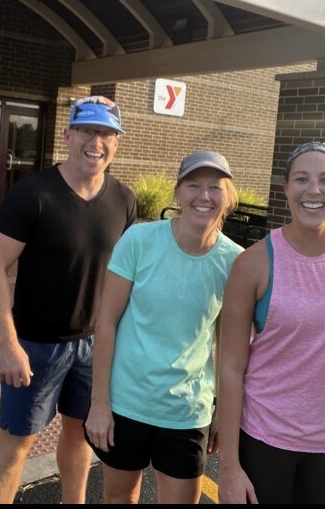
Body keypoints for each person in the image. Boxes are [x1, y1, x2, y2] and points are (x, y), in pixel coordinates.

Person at [0, 95, 136, 504]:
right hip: (34, 346)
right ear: (68, 134)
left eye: (106, 133)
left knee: (79, 433)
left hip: (94, 345)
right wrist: (6, 345)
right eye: (87, 130)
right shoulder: (32, 194)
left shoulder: (123, 200)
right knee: (16, 444)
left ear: (117, 141)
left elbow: (130, 275)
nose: (96, 142)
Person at [218, 141, 325, 504]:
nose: (313, 190)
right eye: (301, 179)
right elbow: (229, 367)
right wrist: (228, 466)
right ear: (286, 188)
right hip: (265, 437)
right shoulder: (253, 264)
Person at [85, 150, 243, 504]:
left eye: (215, 188)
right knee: (118, 498)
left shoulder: (235, 261)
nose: (204, 197)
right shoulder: (139, 241)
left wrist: (221, 410)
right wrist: (99, 404)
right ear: (177, 193)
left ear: (227, 197)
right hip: (127, 402)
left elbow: (229, 345)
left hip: (187, 411)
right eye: (193, 186)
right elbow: (106, 322)